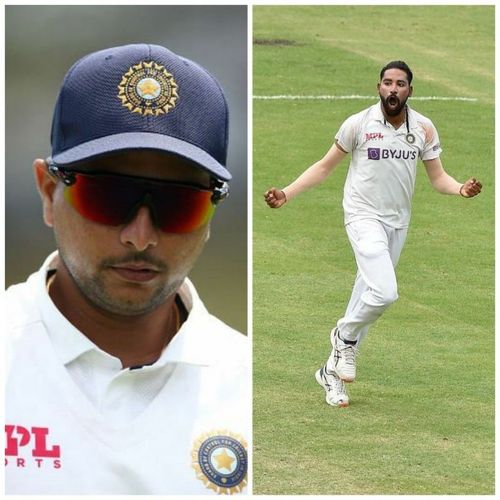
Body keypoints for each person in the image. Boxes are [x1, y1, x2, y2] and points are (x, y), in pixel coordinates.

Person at [6, 43, 249, 495]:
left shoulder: (250, 385)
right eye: (108, 195)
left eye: (180, 204)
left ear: (212, 210)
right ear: (47, 193)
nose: (141, 235)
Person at [264, 60, 482, 408]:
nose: (392, 89)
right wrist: (287, 193)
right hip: (362, 216)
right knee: (384, 291)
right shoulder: (359, 124)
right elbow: (324, 167)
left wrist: (460, 190)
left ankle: (331, 374)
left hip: (398, 222)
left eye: (400, 84)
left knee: (366, 293)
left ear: (410, 90)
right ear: (378, 87)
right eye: (387, 83)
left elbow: (438, 178)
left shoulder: (424, 128)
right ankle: (344, 336)